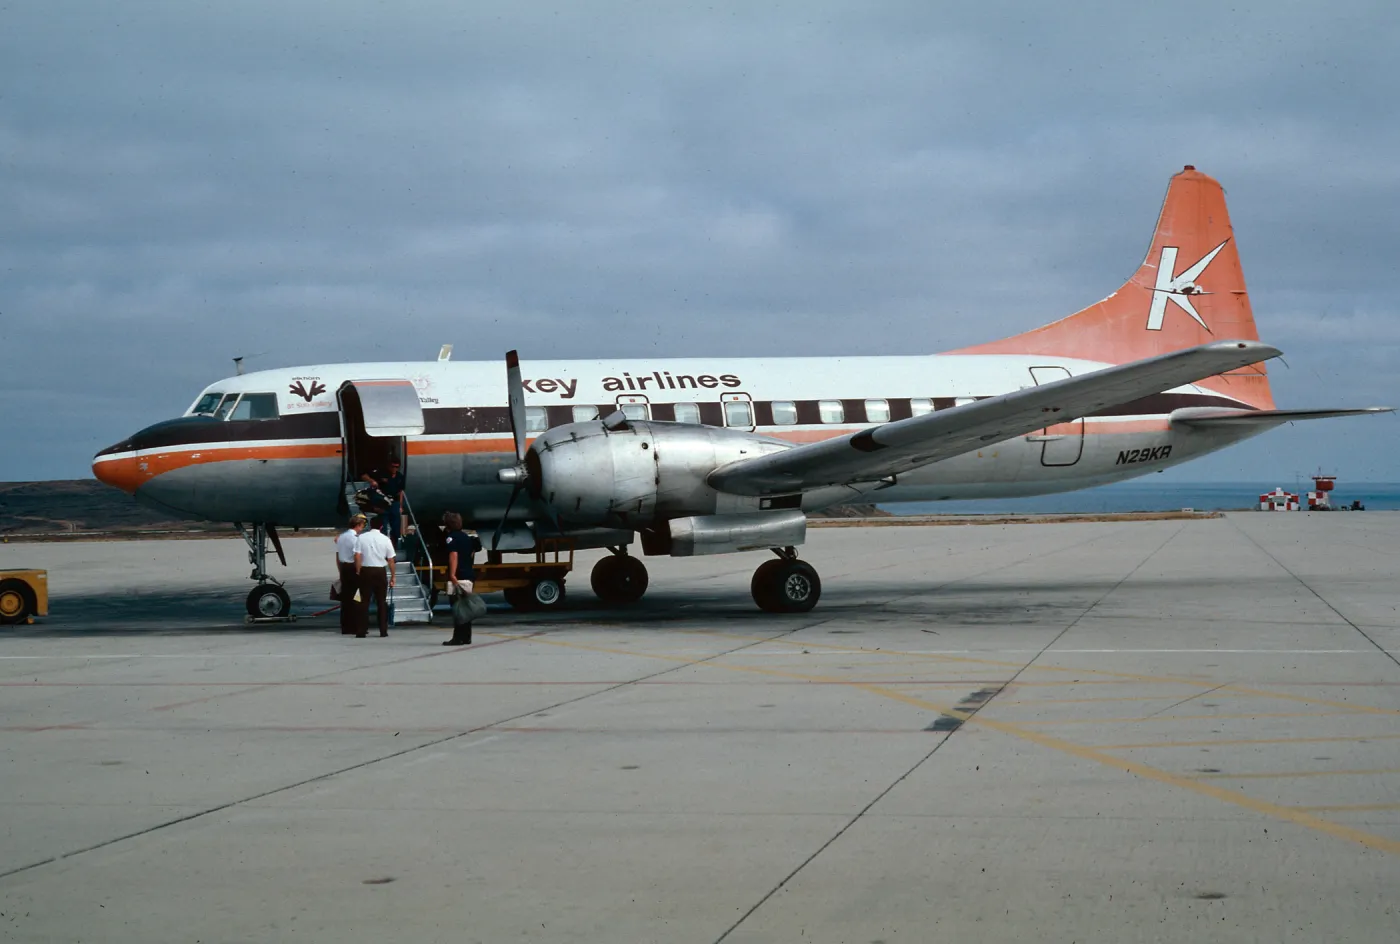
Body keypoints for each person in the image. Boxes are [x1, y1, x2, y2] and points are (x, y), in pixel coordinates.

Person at [442, 512, 482, 646]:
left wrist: (452, 574)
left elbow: (453, 556)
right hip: (468, 575)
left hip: (458, 576)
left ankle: (457, 637)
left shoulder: (451, 538)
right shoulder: (466, 537)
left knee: (458, 607)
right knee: (466, 607)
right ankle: (466, 636)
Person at [355, 517, 397, 637]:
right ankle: (383, 630)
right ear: (381, 527)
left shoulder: (361, 538)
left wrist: (358, 571)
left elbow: (357, 556)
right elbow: (390, 559)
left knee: (364, 602)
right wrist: (393, 576)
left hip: (366, 570)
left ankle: (361, 631)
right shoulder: (385, 539)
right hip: (380, 571)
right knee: (381, 602)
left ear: (369, 525)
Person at [361, 456, 406, 546]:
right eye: (393, 466)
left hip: (394, 503)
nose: (394, 469)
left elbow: (401, 492)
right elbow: (363, 475)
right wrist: (372, 481)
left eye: (396, 467)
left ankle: (394, 545)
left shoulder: (400, 477)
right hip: (383, 503)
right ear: (389, 466)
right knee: (383, 526)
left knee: (396, 526)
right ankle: (383, 545)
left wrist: (400, 506)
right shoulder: (381, 473)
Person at [335, 514, 367, 635]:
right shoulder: (355, 538)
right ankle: (355, 626)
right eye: (362, 526)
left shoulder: (341, 537)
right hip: (353, 568)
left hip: (344, 568)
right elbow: (357, 555)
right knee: (357, 598)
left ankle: (345, 627)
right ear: (358, 525)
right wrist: (359, 570)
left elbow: (337, 556)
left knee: (345, 599)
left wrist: (340, 571)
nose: (362, 529)